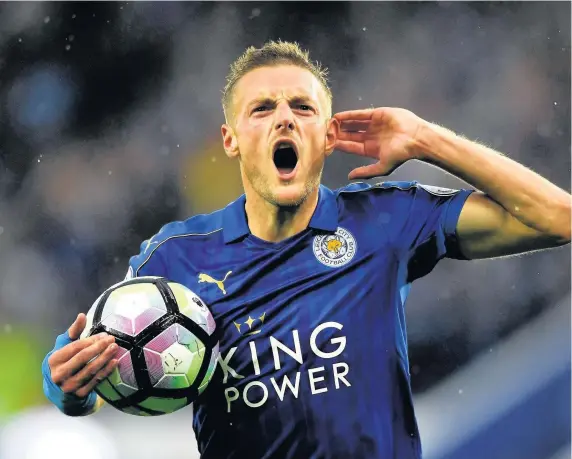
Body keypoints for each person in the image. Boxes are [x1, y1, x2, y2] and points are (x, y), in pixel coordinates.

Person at [42, 41, 571, 458]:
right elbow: (83, 369)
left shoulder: (385, 220)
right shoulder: (176, 258)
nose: (284, 118)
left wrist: (425, 138)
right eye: (262, 109)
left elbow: (559, 218)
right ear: (231, 140)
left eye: (302, 106)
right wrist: (67, 386)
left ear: (327, 133)